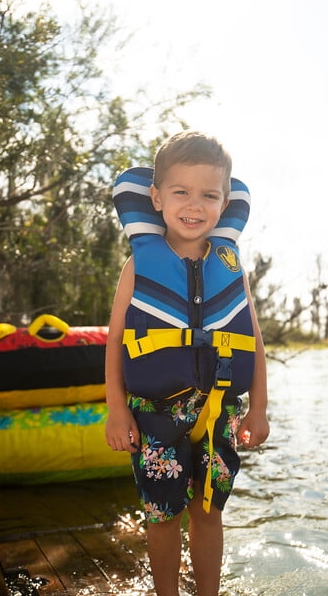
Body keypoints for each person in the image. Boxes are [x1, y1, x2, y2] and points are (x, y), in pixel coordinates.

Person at [105, 131, 269, 596]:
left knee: (208, 512)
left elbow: (253, 340)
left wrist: (258, 408)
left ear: (223, 202)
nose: (194, 205)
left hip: (220, 409)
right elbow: (116, 341)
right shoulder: (139, 264)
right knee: (163, 515)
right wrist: (117, 410)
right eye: (181, 192)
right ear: (156, 197)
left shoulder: (231, 264)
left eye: (209, 195)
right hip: (156, 413)